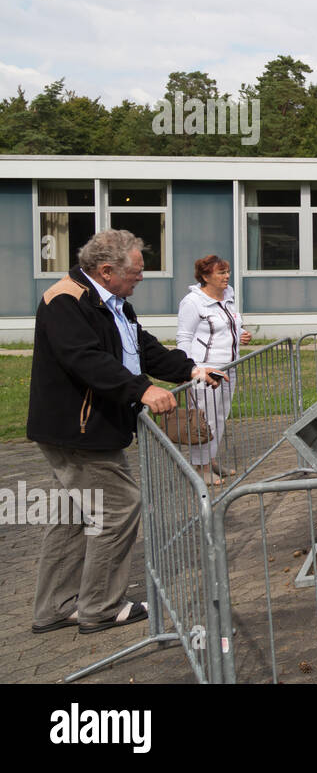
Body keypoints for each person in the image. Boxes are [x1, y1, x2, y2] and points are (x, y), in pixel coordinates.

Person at [27, 229, 222, 635]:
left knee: (72, 516)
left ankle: (56, 607)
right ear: (106, 270)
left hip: (89, 428)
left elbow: (141, 348)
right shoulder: (66, 300)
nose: (142, 277)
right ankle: (99, 606)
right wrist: (142, 390)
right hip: (78, 431)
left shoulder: (114, 302)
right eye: (135, 271)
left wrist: (189, 369)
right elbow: (86, 360)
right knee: (118, 508)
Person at [176, 255, 251, 485]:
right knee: (203, 419)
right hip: (204, 371)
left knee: (219, 417)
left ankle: (210, 460)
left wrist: (242, 334)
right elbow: (184, 337)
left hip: (229, 368)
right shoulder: (192, 302)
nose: (226, 276)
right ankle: (200, 468)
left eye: (227, 271)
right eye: (221, 273)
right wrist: (187, 369)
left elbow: (228, 326)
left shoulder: (228, 296)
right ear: (205, 276)